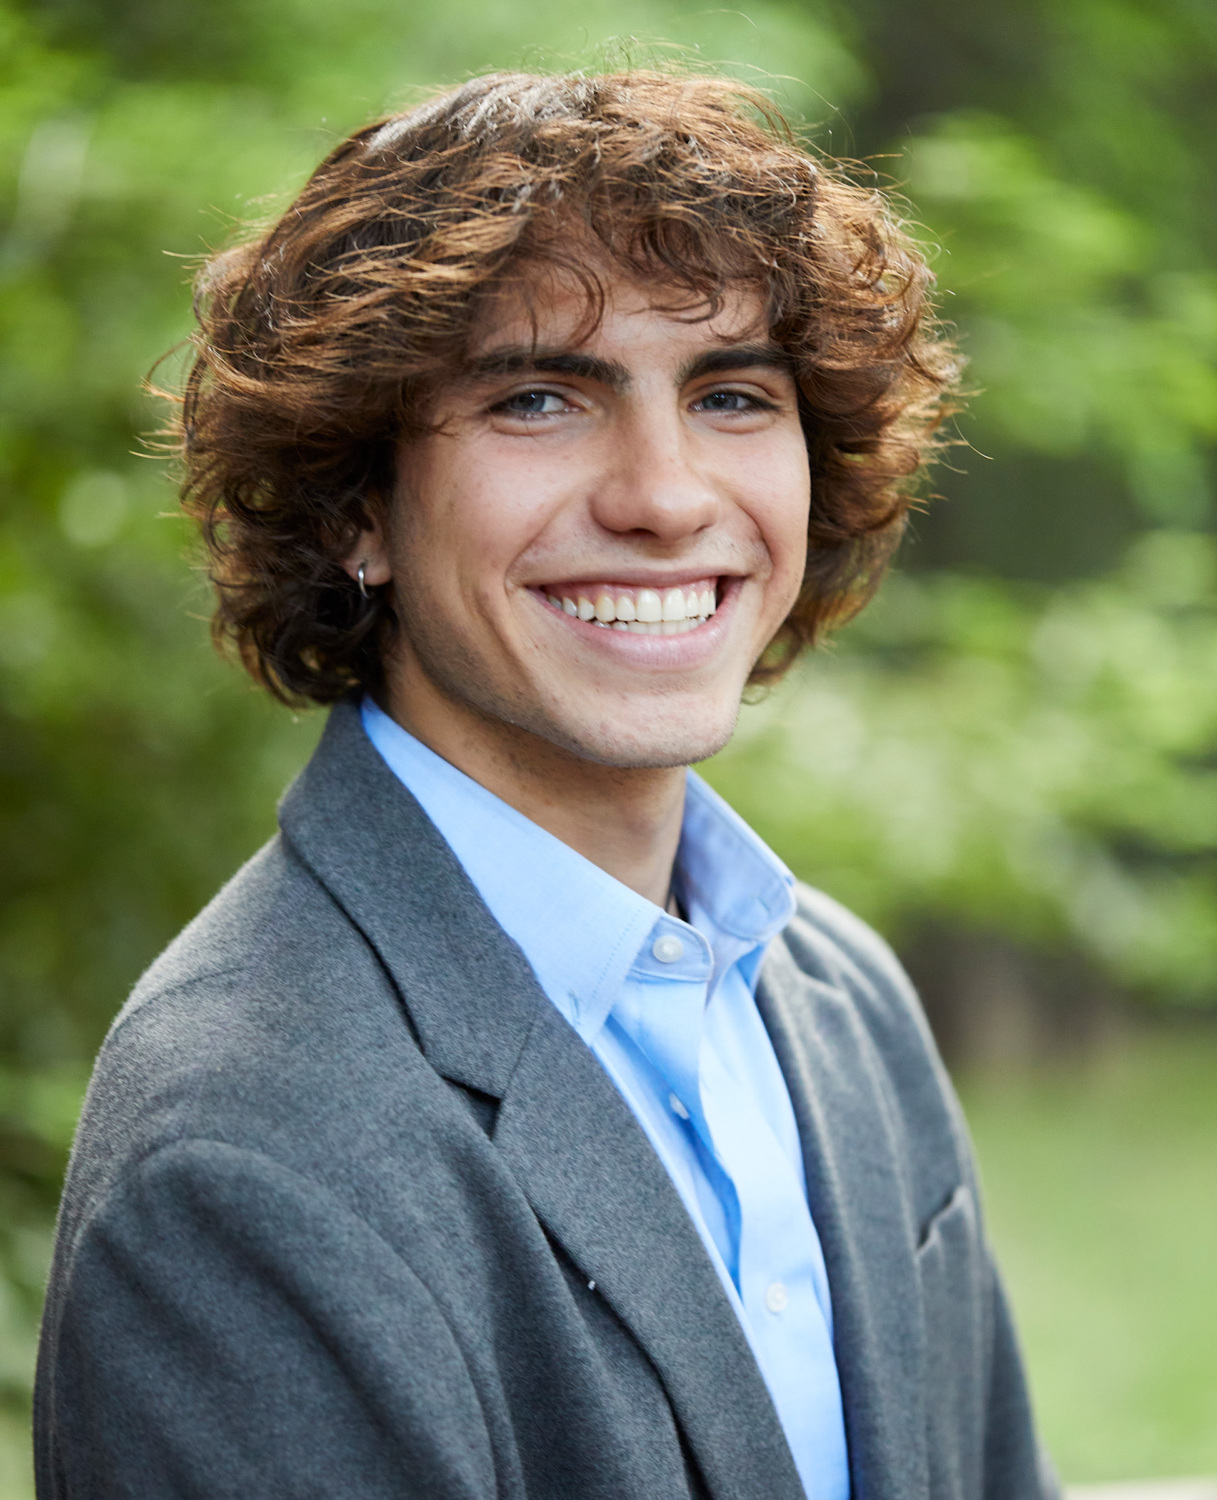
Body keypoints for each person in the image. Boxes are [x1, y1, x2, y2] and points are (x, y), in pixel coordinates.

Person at [34, 70, 1056, 1500]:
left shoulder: (837, 996)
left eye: (731, 395)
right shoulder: (244, 1153)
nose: (664, 492)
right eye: (536, 397)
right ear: (355, 511)